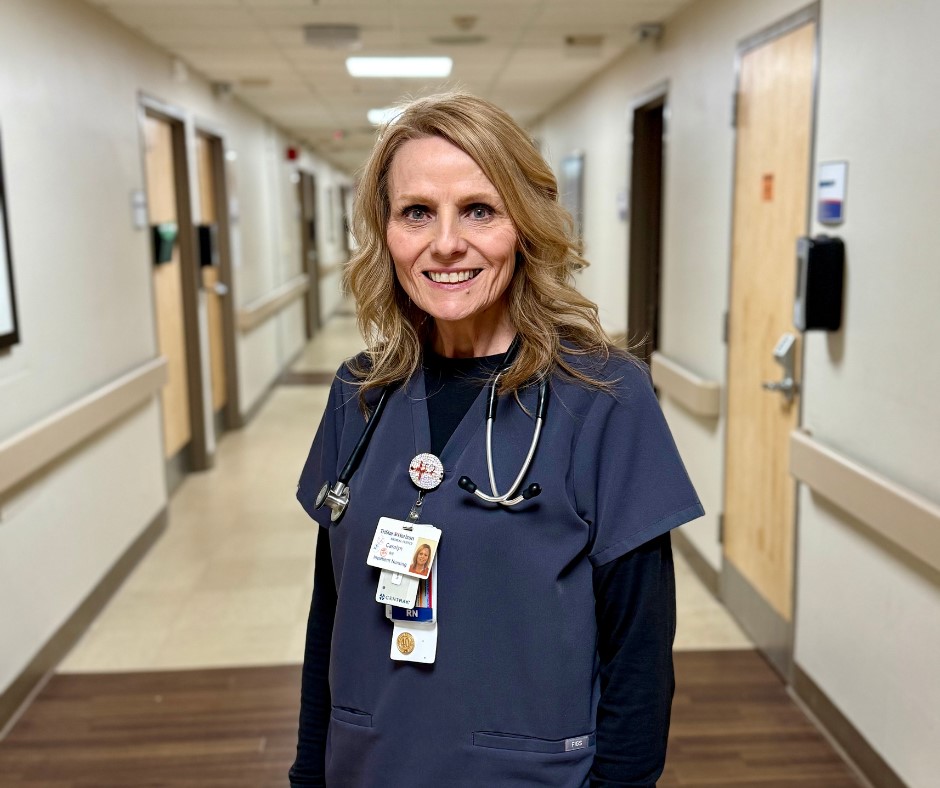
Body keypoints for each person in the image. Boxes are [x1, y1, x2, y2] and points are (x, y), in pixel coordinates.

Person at [290, 92, 703, 788]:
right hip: (369, 764)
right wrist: (308, 772)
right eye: (416, 211)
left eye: (479, 210)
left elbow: (638, 657)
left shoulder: (604, 397)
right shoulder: (359, 394)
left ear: (525, 225)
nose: (445, 242)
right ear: (385, 232)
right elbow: (330, 617)